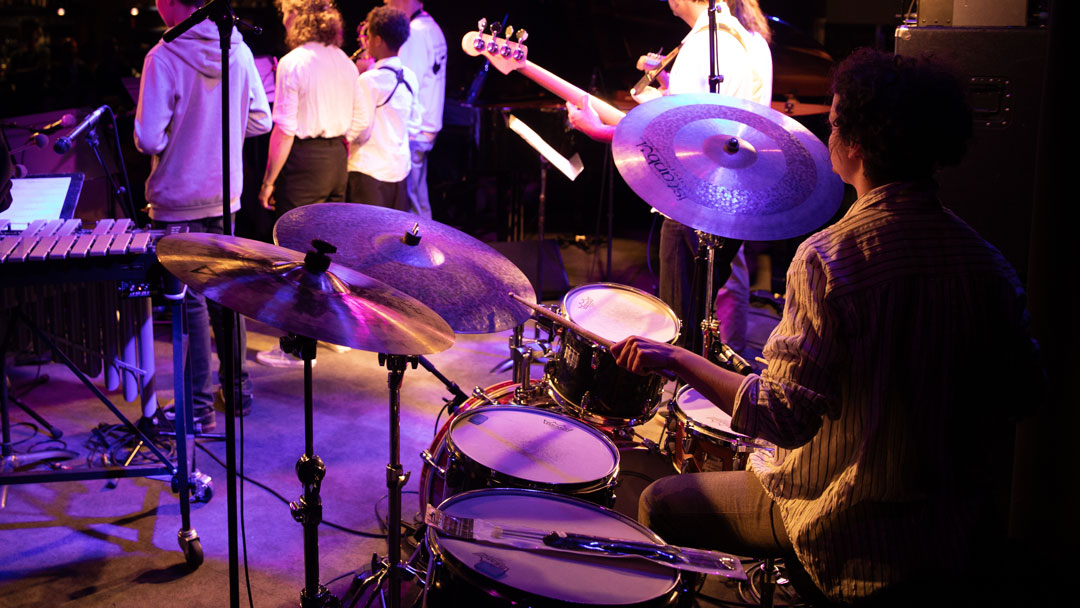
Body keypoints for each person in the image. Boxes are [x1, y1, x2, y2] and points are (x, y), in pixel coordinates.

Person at [610, 48, 1041, 604]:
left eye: (833, 124)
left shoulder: (832, 258)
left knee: (662, 501)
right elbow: (1026, 392)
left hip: (849, 528)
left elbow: (782, 418)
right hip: (953, 531)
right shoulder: (987, 260)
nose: (827, 136)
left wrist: (677, 358)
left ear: (856, 143)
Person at [568, 0, 772, 356]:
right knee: (701, 308)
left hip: (692, 198)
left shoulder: (706, 44)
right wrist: (669, 92)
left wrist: (600, 131)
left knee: (679, 328)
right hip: (723, 194)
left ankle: (686, 392)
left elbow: (677, 138)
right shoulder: (740, 38)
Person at [135, 0, 272, 427]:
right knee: (226, 296)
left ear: (176, 3)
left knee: (188, 305)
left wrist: (190, 131)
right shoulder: (239, 47)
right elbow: (261, 120)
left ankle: (195, 408)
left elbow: (147, 138)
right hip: (225, 196)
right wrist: (220, 130)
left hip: (178, 198)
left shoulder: (163, 55)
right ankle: (237, 393)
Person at [257, 0, 362, 368]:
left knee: (297, 255)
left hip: (305, 161)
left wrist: (269, 180)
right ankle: (333, 333)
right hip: (336, 158)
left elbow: (284, 128)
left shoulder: (294, 62)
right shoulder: (346, 61)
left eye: (285, 12)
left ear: (298, 17)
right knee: (330, 254)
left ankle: (299, 347)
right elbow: (359, 120)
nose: (282, 20)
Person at [346, 6, 422, 210]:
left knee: (363, 238)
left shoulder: (370, 80)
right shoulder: (410, 76)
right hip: (399, 171)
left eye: (369, 36)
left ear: (378, 40)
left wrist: (344, 140)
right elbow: (415, 124)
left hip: (369, 170)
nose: (366, 42)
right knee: (391, 237)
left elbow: (361, 127)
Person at [384, 0, 446, 219]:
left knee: (412, 208)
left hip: (415, 130)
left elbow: (406, 83)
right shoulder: (431, 26)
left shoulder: (415, 33)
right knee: (418, 200)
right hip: (427, 127)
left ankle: (420, 251)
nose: (386, 3)